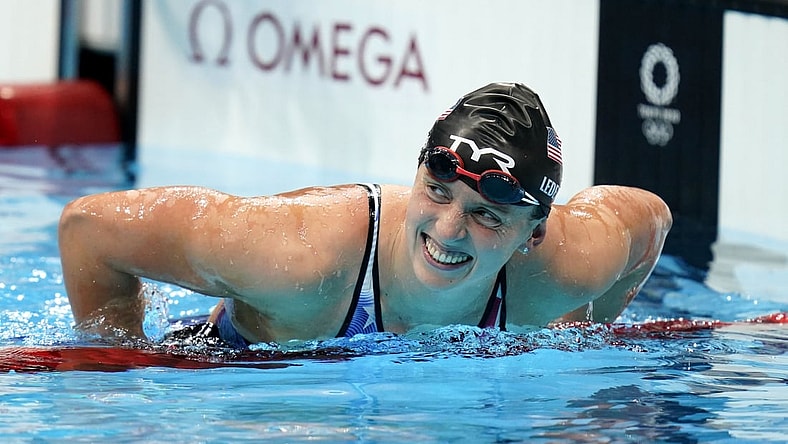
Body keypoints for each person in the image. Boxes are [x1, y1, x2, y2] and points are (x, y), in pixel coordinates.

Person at [58, 82, 672, 347]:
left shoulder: (566, 266)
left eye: (487, 216)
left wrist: (579, 325)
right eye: (437, 191)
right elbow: (89, 229)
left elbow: (653, 219)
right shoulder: (294, 255)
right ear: (416, 171)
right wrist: (113, 377)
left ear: (531, 235)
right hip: (233, 363)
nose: (448, 229)